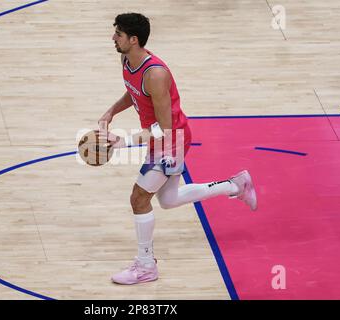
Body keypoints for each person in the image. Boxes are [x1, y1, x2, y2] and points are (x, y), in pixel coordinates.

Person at [98, 13, 257, 285]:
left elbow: (164, 128)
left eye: (119, 34)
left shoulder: (156, 74)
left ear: (133, 40)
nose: (113, 38)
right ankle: (235, 185)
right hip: (158, 138)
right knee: (168, 200)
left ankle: (146, 266)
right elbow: (134, 91)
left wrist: (122, 142)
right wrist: (111, 111)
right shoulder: (126, 59)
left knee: (138, 199)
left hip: (171, 142)